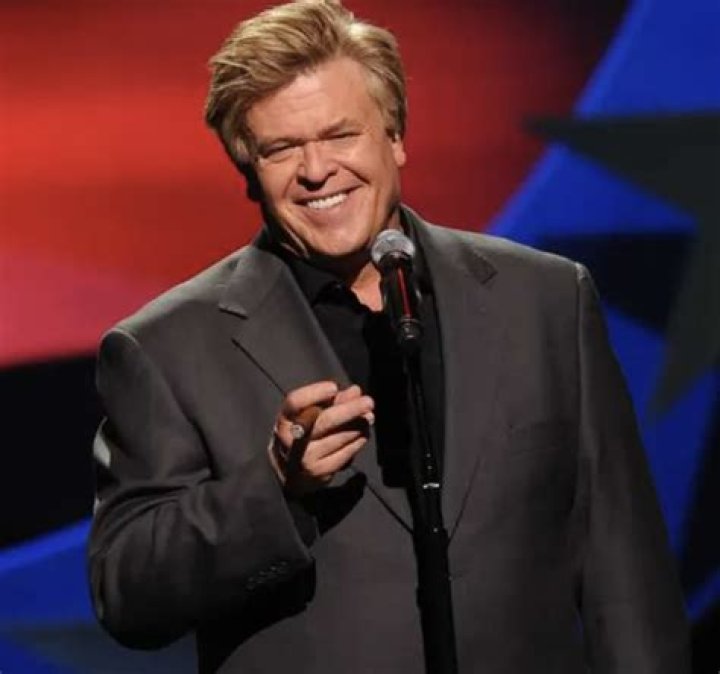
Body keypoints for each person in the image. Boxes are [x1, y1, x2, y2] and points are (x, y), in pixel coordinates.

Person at [88, 1, 691, 672]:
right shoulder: (167, 348)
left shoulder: (547, 300)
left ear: (395, 135)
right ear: (247, 172)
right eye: (281, 149)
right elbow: (126, 593)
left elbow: (626, 576)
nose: (316, 169)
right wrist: (275, 488)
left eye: (340, 134)